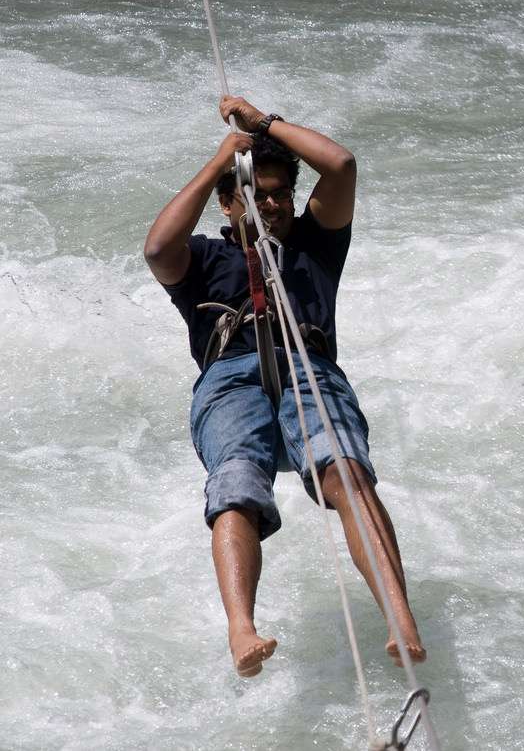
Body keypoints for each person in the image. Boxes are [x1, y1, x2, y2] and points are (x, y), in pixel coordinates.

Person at [144, 96, 426, 677]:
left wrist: (263, 125)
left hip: (309, 368)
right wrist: (221, 158)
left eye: (279, 194)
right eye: (256, 194)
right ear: (229, 203)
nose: (270, 204)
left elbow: (341, 166)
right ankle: (242, 631)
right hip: (230, 377)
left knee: (343, 470)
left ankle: (401, 618)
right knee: (236, 485)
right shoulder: (202, 258)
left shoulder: (313, 244)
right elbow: (155, 248)